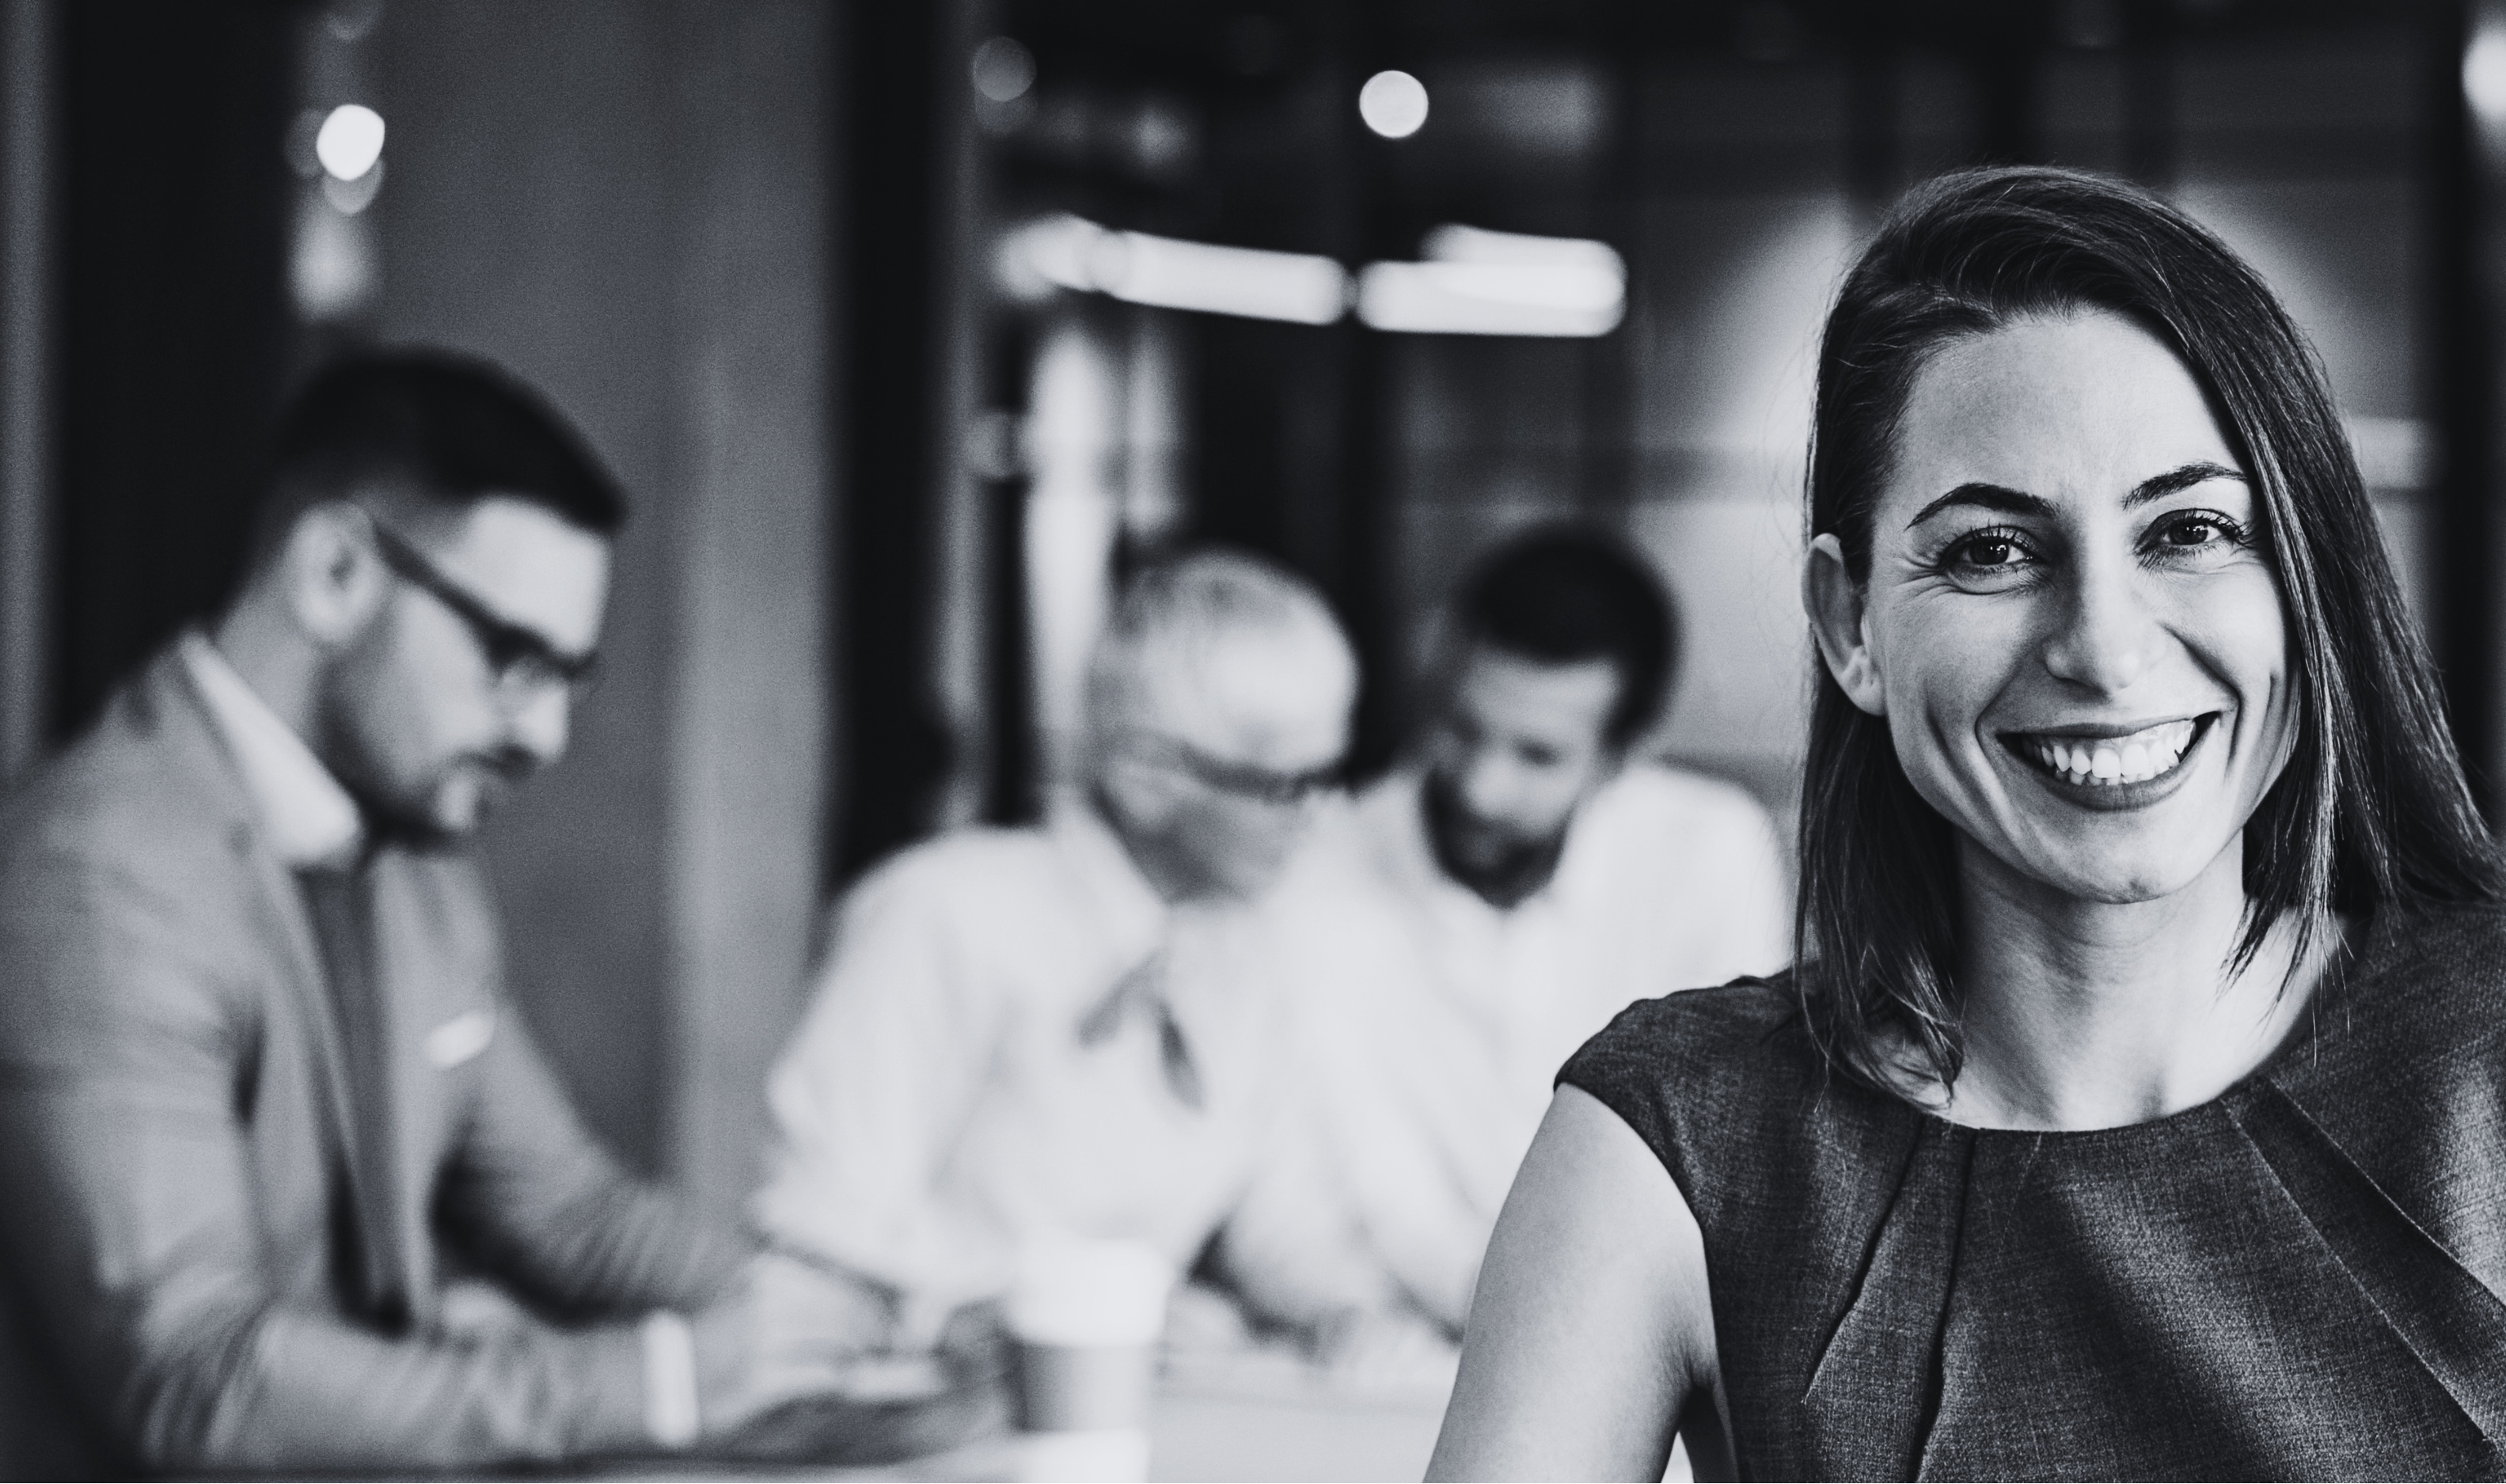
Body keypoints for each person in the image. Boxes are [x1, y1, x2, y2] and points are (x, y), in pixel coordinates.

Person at [1431, 167, 2506, 1481]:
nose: (2103, 647)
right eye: (1992, 550)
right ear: (1850, 625)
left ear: (2305, 580)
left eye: (2193, 531)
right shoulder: (1673, 1144)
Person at [0, 351, 895, 1476]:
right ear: (334, 571)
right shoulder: (97, 873)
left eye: (572, 675)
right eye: (515, 657)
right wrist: (661, 1381)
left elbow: (566, 1206)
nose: (546, 734)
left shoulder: (415, 860)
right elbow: (197, 1378)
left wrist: (829, 1322)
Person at [756, 549, 1357, 1343]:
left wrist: (1344, 1315)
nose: (1321, 815)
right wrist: (1042, 1312)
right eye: (1283, 785)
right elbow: (818, 1227)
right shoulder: (945, 910)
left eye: (1330, 774)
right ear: (1146, 774)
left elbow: (1284, 1226)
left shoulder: (1253, 949)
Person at [1210, 528, 1787, 1353]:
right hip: (1386, 1357)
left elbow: (1736, 1164)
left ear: (1623, 757)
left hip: (1635, 1352)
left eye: (1537, 755)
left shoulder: (1706, 854)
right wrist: (1346, 1312)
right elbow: (1281, 1196)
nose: (1481, 785)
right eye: (1461, 727)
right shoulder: (1315, 871)